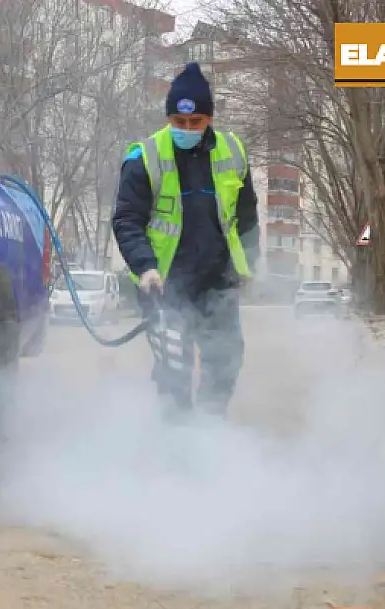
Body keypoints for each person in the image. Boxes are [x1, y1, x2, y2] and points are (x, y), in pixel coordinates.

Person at [111, 62, 260, 417]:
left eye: (196, 122)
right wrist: (145, 267)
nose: (187, 129)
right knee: (173, 366)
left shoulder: (234, 151)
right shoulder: (144, 157)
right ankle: (176, 439)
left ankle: (210, 429)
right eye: (179, 122)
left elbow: (247, 217)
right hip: (164, 284)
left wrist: (249, 266)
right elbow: (127, 219)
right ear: (169, 118)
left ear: (209, 119)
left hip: (217, 281)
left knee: (224, 360)